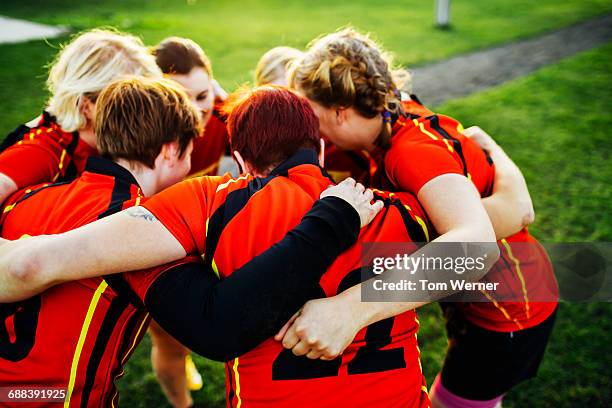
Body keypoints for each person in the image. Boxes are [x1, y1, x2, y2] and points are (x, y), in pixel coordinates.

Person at [0, 78, 378, 407]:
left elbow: (218, 322)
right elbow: (218, 325)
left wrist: (351, 307)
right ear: (170, 151)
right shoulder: (383, 209)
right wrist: (357, 298)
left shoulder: (23, 198)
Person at [288, 27, 558, 407]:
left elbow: (476, 245)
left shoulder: (411, 151)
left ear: (340, 111)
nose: (312, 133)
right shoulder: (384, 119)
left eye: (312, 119)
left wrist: (350, 309)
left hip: (509, 313)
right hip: (476, 299)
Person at [0, 28, 161, 205]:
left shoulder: (120, 138)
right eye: (128, 100)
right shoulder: (44, 150)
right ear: (86, 106)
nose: (145, 108)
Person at [153, 36, 235, 178]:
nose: (195, 111)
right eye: (181, 100)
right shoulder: (138, 130)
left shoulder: (224, 117)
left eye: (202, 96)